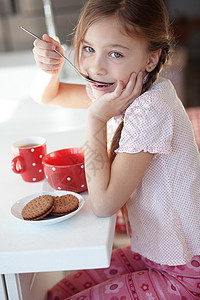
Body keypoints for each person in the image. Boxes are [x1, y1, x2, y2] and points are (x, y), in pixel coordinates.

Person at [32, 0, 200, 299]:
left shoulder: (151, 107)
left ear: (151, 59)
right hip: (157, 253)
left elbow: (104, 204)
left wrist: (96, 118)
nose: (96, 66)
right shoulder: (125, 88)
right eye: (88, 48)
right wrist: (50, 70)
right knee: (56, 293)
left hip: (185, 271)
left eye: (115, 53)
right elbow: (51, 96)